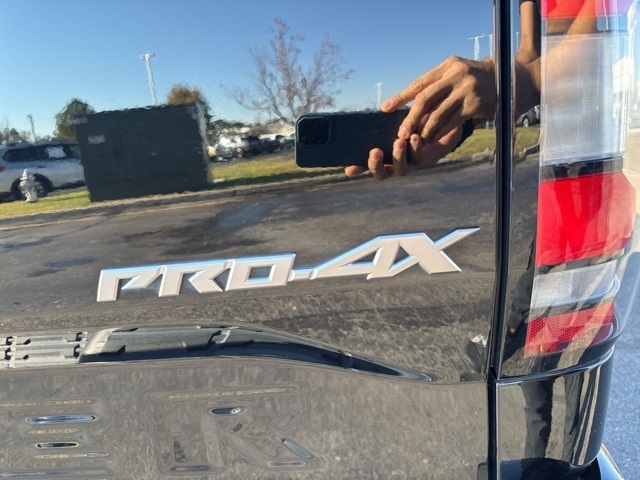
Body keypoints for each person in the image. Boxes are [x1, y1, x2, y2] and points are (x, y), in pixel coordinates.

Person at [346, 0, 544, 180]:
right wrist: (461, 123)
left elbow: (525, 73)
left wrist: (522, 80)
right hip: (548, 164)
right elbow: (530, 52)